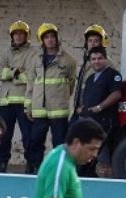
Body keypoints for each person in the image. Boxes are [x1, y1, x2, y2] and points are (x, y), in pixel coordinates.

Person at [23, 23, 77, 174]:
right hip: (39, 109)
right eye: (46, 37)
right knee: (36, 141)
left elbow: (71, 83)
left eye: (52, 36)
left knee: (59, 143)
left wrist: (62, 97)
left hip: (58, 110)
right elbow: (31, 83)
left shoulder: (68, 60)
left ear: (57, 38)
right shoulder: (35, 59)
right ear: (42, 40)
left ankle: (58, 170)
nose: (50, 40)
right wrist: (28, 106)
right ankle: (35, 168)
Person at [0, 20, 38, 173]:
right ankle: (2, 163)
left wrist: (10, 73)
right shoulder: (5, 52)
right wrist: (17, 72)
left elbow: (31, 76)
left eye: (21, 34)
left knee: (28, 136)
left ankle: (30, 164)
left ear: (26, 36)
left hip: (24, 100)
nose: (18, 36)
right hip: (6, 102)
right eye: (16, 34)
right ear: (12, 36)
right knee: (3, 135)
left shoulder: (33, 53)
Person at [71, 25, 112, 177]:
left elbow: (104, 89)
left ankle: (87, 174)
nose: (93, 43)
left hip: (93, 113)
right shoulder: (87, 61)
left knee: (89, 144)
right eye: (90, 41)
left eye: (96, 41)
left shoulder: (104, 63)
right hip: (81, 110)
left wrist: (92, 107)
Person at [75, 46, 122, 178]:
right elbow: (86, 96)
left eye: (99, 58)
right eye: (93, 59)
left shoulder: (113, 75)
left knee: (103, 156)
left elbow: (116, 94)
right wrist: (81, 108)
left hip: (105, 123)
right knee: (87, 155)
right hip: (89, 123)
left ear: (105, 59)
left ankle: (107, 182)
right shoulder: (90, 78)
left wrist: (100, 107)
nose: (96, 61)